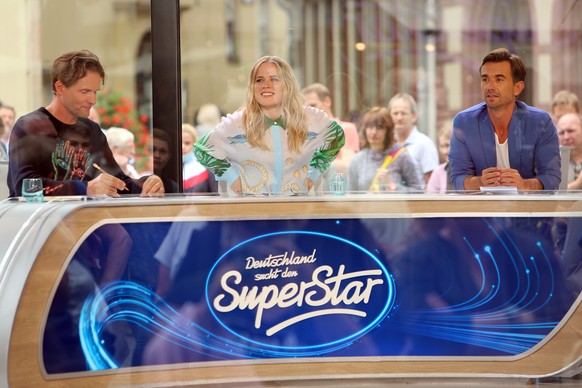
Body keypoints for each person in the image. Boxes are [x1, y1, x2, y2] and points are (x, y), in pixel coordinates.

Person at [7, 49, 164, 197]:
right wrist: (86, 188)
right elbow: (23, 187)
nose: (93, 100)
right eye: (84, 92)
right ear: (60, 87)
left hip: (85, 221)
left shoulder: (92, 130)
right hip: (42, 222)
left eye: (95, 92)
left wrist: (147, 184)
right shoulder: (30, 126)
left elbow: (119, 183)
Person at [194, 55, 345, 195]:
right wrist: (230, 176)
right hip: (250, 215)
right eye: (259, 80)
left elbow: (336, 138)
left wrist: (315, 171)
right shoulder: (236, 123)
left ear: (287, 84)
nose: (266, 85)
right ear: (252, 87)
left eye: (274, 79)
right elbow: (202, 149)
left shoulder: (312, 118)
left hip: (299, 213)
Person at [449, 48, 561, 192]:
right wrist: (480, 182)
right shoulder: (464, 122)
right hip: (481, 211)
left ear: (517, 88)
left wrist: (524, 185)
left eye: (499, 79)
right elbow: (457, 179)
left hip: (528, 211)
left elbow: (552, 179)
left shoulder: (540, 122)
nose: (490, 87)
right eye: (485, 79)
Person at [348, 106, 423, 192]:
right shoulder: (357, 159)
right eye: (370, 127)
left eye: (379, 127)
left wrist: (392, 187)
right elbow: (351, 195)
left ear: (388, 131)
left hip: (395, 206)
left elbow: (418, 192)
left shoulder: (402, 156)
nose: (374, 132)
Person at [301, 82, 360, 173]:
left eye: (313, 105)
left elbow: (347, 165)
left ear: (327, 102)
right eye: (306, 108)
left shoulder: (346, 128)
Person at [387, 92, 438, 183]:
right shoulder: (386, 144)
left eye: (403, 113)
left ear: (414, 116)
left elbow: (432, 184)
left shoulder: (424, 144)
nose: (399, 117)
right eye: (395, 113)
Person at [182, 123, 216, 193]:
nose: (183, 147)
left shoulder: (207, 166)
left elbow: (215, 197)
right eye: (179, 143)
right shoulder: (167, 167)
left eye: (187, 143)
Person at [426, 120, 453, 194]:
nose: (444, 151)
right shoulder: (438, 171)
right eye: (442, 146)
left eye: (447, 145)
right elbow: (429, 199)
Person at [556, 113, 582, 190]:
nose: (566, 137)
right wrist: (578, 183)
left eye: (570, 131)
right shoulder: (553, 162)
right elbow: (550, 194)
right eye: (561, 133)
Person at [152, 127, 178, 193]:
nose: (157, 155)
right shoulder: (130, 183)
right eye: (153, 149)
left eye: (162, 151)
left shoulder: (173, 188)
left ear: (169, 156)